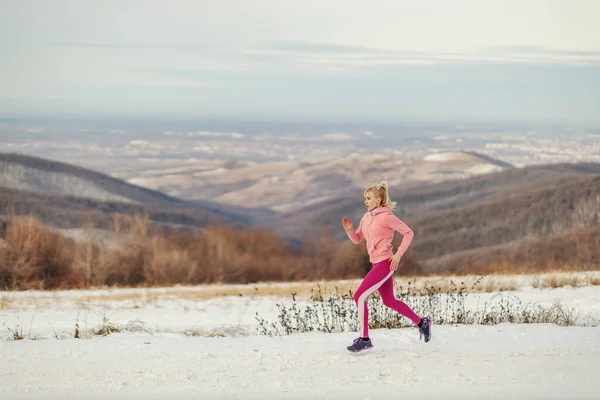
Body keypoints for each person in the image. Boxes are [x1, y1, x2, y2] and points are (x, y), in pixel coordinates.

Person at [341, 181, 431, 352]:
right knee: (389, 301)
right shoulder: (366, 217)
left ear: (379, 199)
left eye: (368, 198)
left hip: (385, 263)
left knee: (359, 296)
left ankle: (365, 338)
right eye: (364, 198)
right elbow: (357, 239)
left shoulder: (386, 216)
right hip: (375, 263)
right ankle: (422, 322)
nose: (365, 201)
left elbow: (408, 233)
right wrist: (350, 230)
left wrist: (398, 255)